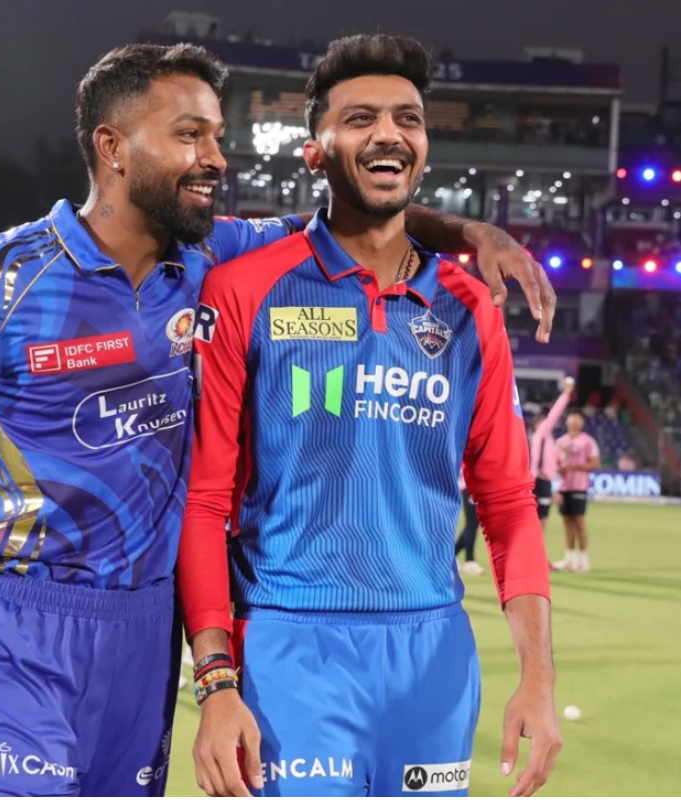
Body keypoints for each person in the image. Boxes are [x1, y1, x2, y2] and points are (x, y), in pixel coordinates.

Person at [0, 42, 555, 799]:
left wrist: (473, 232)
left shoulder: (214, 257)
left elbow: (363, 218)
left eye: (217, 137)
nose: (216, 158)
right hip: (17, 624)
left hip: (147, 631)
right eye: (190, 135)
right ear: (114, 147)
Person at [179, 35, 560, 799]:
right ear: (315, 152)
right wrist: (216, 682)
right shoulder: (244, 288)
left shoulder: (470, 307)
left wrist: (538, 679)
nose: (389, 134)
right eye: (360, 119)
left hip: (433, 657)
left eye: (407, 119)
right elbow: (205, 500)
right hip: (288, 648)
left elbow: (509, 503)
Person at [552, 412, 600, 572]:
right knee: (567, 523)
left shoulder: (588, 441)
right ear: (567, 423)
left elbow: (595, 464)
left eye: (576, 421)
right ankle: (570, 558)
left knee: (580, 523)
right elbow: (554, 463)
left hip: (579, 486)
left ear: (581, 424)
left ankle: (584, 560)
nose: (573, 424)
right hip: (564, 487)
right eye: (571, 421)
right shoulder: (560, 442)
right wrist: (560, 470)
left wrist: (574, 467)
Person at [531, 377, 575, 529]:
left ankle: (535, 545)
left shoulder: (550, 442)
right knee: (538, 519)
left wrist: (565, 454)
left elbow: (559, 460)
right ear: (536, 426)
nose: (544, 423)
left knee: (542, 519)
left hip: (545, 482)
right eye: (540, 422)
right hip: (538, 480)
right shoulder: (540, 434)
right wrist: (566, 394)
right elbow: (553, 415)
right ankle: (532, 545)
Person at [454, 472, 484, 575]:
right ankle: (469, 561)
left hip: (478, 486)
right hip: (471, 485)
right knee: (471, 525)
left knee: (473, 525)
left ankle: (450, 555)